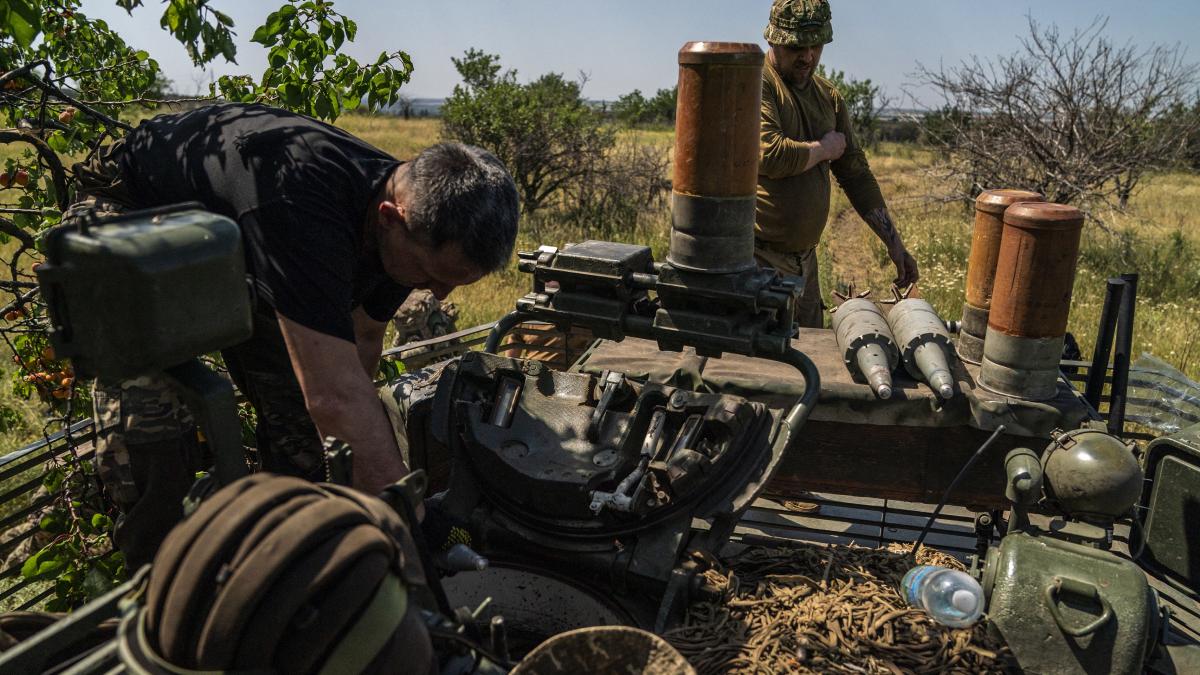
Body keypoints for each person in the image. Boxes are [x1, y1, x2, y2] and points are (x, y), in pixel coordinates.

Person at [66, 103, 519, 567]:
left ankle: (289, 556)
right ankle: (165, 584)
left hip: (241, 240)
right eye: (430, 273)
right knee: (152, 428)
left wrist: (362, 476)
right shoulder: (304, 206)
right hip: (131, 213)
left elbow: (360, 345)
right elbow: (334, 397)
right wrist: (412, 521)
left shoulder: (415, 218)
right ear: (390, 218)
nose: (439, 293)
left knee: (306, 441)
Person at [757, 0, 919, 329]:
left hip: (805, 261)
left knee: (811, 356)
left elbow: (855, 173)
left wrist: (894, 244)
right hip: (758, 259)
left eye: (816, 46)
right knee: (763, 366)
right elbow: (769, 154)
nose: (808, 57)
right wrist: (824, 148)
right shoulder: (758, 83)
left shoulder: (827, 96)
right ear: (774, 40)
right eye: (797, 47)